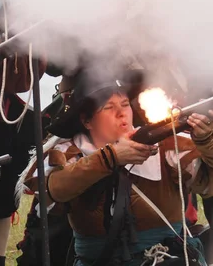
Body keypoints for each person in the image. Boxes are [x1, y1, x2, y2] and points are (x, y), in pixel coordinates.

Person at [22, 70, 213, 266]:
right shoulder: (68, 152)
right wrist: (110, 158)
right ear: (87, 121)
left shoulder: (166, 145)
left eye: (125, 104)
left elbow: (208, 186)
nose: (122, 113)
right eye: (109, 107)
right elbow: (53, 189)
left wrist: (207, 143)